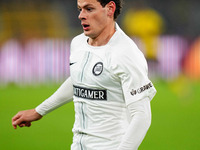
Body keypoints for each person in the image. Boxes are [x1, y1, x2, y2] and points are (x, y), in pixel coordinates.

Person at [12, 0, 157, 149]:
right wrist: (39, 111)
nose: (81, 15)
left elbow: (142, 116)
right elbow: (79, 80)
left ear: (110, 8)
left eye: (89, 9)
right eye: (80, 9)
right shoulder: (78, 43)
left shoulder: (126, 53)